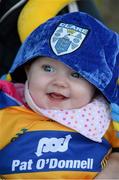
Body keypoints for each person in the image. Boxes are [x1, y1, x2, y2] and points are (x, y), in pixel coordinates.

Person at [0, 12, 119, 179]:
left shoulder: (107, 119)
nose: (59, 82)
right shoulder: (6, 109)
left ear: (96, 85)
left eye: (76, 75)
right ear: (27, 69)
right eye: (48, 68)